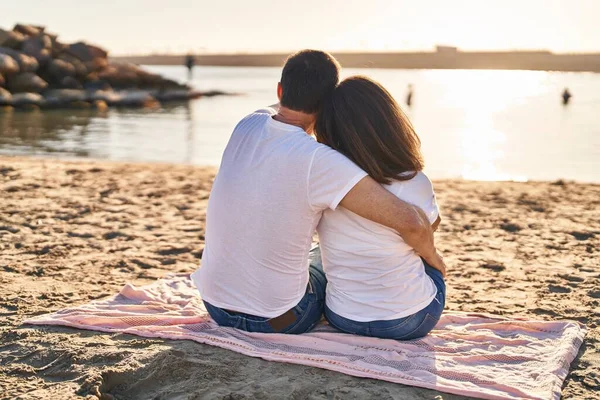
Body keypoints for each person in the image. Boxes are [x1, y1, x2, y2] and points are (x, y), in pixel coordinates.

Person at [190, 50, 446, 335]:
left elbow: (280, 111)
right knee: (326, 259)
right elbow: (411, 221)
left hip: (215, 305)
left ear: (279, 89)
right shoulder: (322, 162)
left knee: (316, 253)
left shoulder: (247, 124)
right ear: (327, 104)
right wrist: (434, 258)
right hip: (281, 318)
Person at [315, 76, 445, 340]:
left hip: (342, 317)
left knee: (321, 251)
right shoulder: (413, 181)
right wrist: (433, 257)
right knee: (420, 247)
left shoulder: (323, 179)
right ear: (391, 123)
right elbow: (430, 227)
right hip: (410, 320)